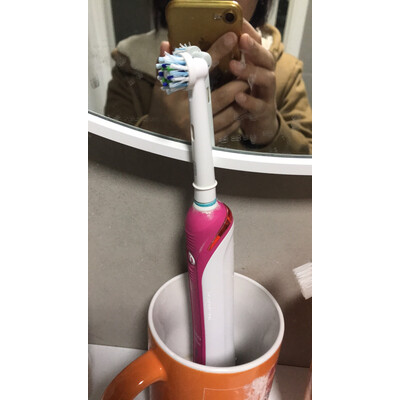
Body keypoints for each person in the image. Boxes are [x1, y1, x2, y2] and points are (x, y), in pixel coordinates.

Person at [104, 0, 312, 155]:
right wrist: (156, 134)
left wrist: (271, 133)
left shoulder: (285, 72)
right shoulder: (130, 65)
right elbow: (105, 174)